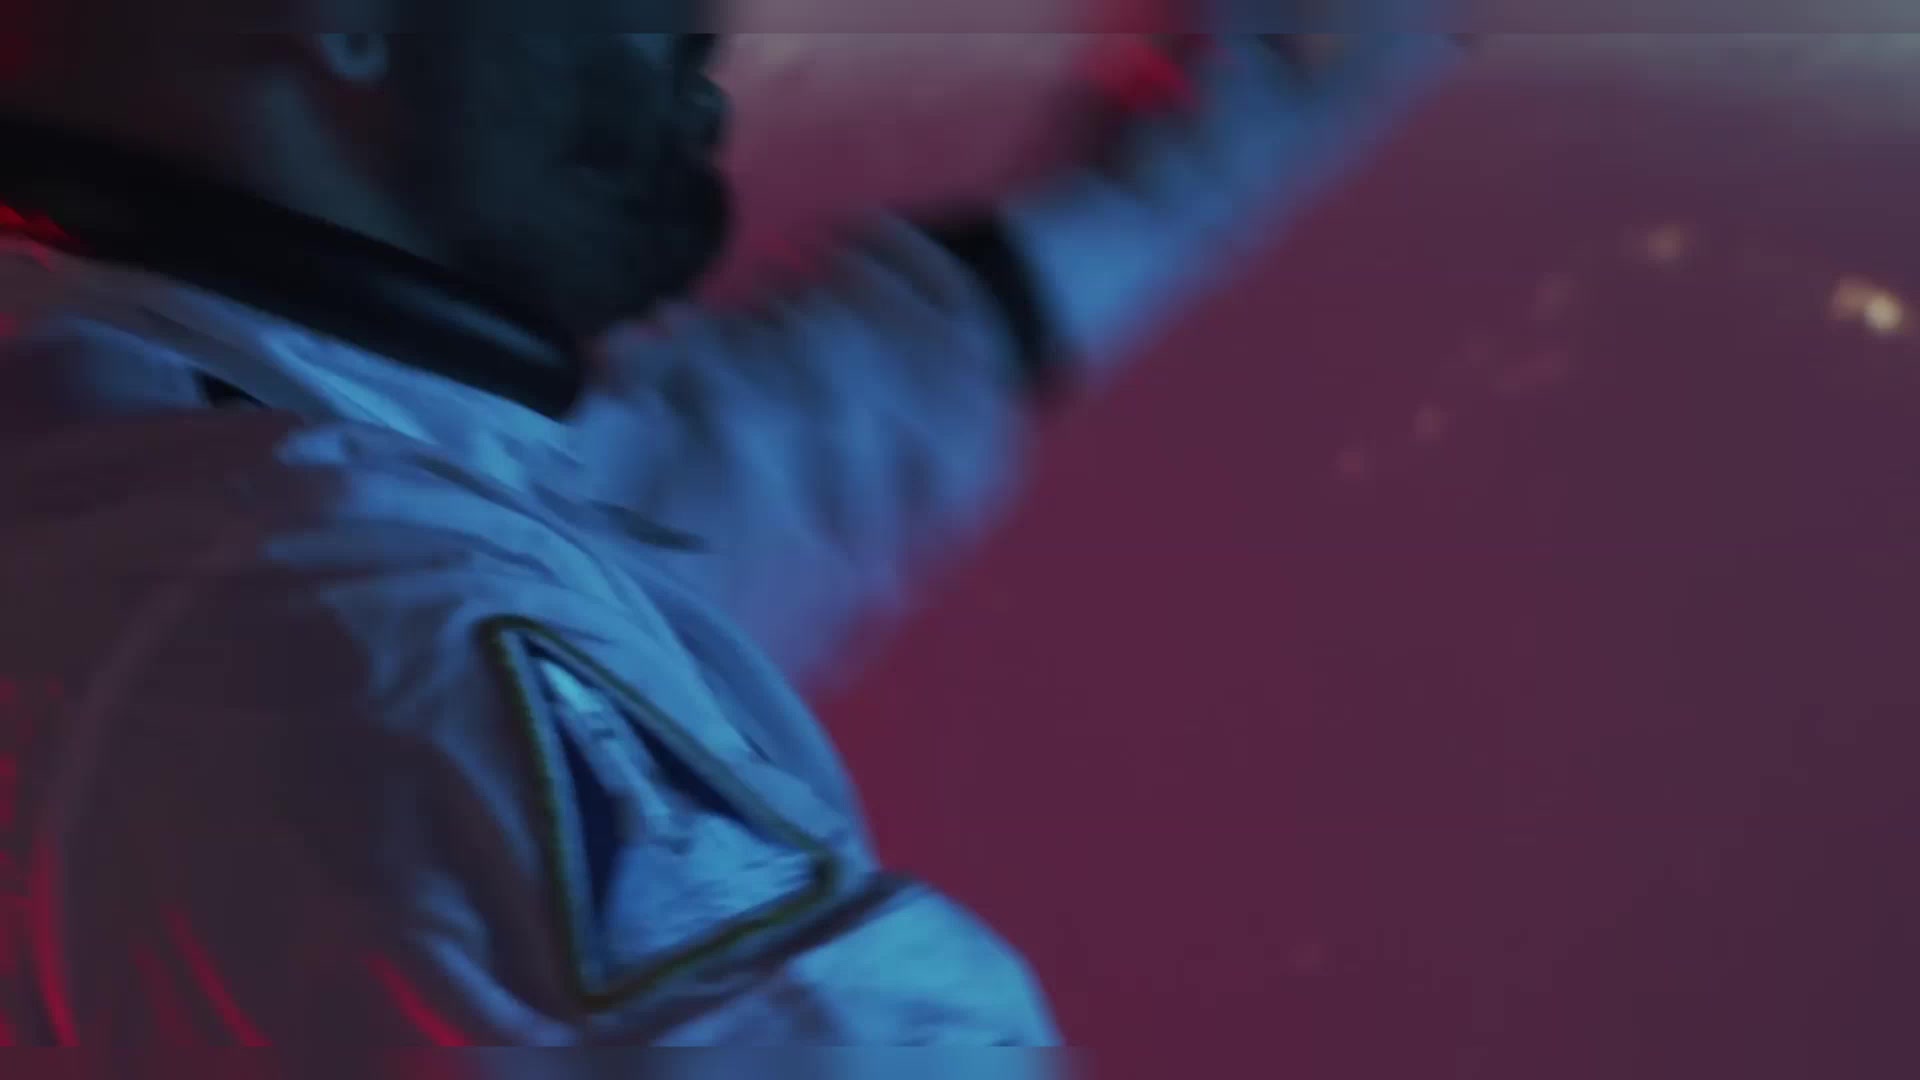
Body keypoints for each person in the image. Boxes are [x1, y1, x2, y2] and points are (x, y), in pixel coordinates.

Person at [0, 6, 1462, 1048]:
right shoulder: (323, 621)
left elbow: (703, 477)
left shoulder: (134, 442)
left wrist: (1193, 161)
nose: (707, 24)